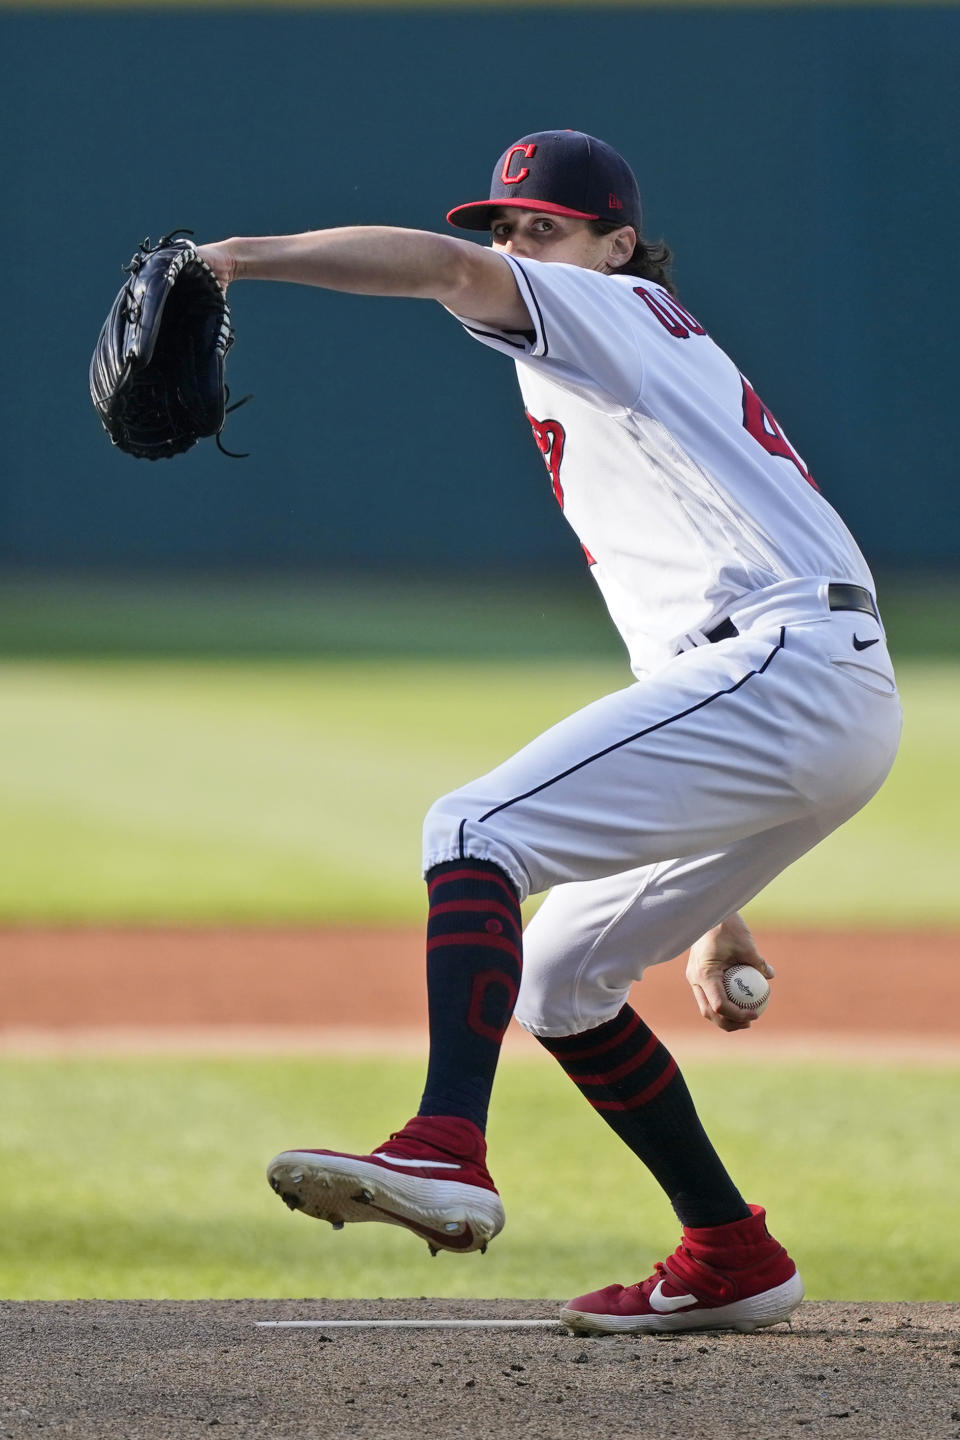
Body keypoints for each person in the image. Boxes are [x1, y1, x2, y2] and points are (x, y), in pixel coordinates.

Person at [197, 130, 901, 1334]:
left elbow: (434, 267)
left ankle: (445, 1149)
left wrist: (232, 258)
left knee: (469, 827)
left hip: (788, 661)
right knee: (568, 980)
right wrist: (714, 901)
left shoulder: (608, 308)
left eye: (546, 226)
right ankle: (731, 1251)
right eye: (508, 227)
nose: (516, 246)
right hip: (804, 686)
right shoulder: (628, 374)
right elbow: (679, 676)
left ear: (618, 244)